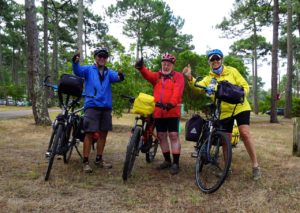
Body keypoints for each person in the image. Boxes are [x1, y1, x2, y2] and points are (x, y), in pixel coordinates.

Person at [182, 49, 261, 180]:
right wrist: (190, 77)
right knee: (225, 140)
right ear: (209, 62)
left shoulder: (232, 71)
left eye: (217, 59)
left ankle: (255, 166)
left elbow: (245, 85)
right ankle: (227, 169)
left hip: (240, 106)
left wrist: (240, 94)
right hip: (224, 111)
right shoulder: (209, 78)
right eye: (212, 60)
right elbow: (198, 87)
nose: (215, 61)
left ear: (221, 60)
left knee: (244, 133)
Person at [72, 47, 124, 173]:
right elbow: (77, 71)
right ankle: (85, 162)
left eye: (104, 57)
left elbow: (117, 78)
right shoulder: (89, 69)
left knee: (103, 134)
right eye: (100, 56)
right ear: (95, 57)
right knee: (89, 133)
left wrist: (121, 76)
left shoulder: (108, 72)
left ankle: (99, 159)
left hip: (106, 107)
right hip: (92, 105)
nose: (102, 58)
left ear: (106, 59)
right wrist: (75, 62)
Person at [135, 53, 185, 175]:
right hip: (158, 112)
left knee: (173, 135)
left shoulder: (178, 76)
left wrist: (172, 103)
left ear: (172, 65)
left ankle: (176, 163)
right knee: (161, 136)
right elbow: (147, 74)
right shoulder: (157, 76)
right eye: (164, 64)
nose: (166, 66)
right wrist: (141, 67)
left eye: (168, 64)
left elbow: (178, 91)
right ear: (161, 64)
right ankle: (167, 160)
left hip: (172, 111)